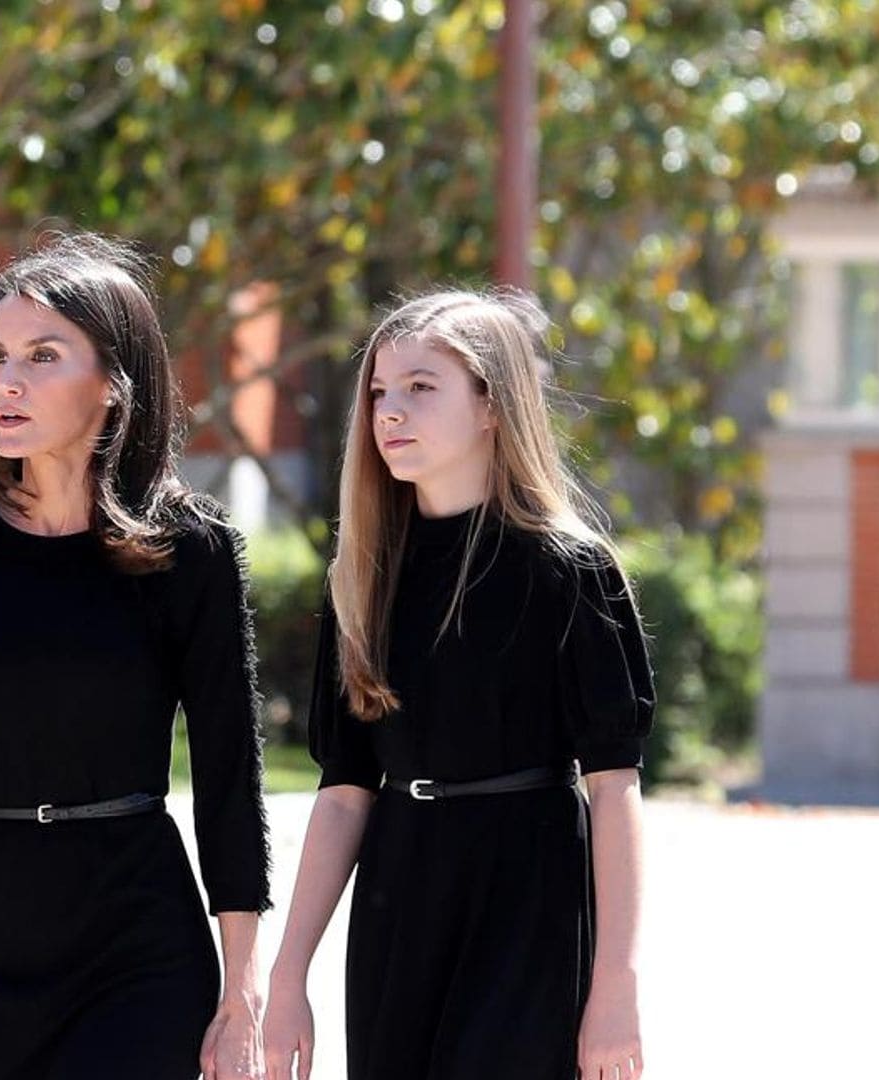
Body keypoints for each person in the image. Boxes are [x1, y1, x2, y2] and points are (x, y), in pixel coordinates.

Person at [0, 234, 272, 1080]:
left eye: (42, 355)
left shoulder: (191, 551)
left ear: (114, 382)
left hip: (140, 938)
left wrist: (243, 989)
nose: (5, 381)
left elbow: (230, 780)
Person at [261, 290, 652, 1080]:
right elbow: (343, 792)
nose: (389, 411)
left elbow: (614, 788)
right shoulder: (364, 579)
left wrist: (616, 983)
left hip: (530, 892)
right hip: (401, 897)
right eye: (378, 392)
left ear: (491, 406)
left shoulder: (569, 571)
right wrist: (287, 974)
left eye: (421, 387)